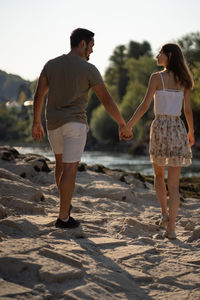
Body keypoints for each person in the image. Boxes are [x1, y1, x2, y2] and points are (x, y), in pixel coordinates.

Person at [32, 28, 131, 229]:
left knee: (60, 164)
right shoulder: (89, 69)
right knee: (70, 168)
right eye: (91, 46)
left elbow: (39, 95)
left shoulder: (51, 65)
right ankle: (63, 217)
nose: (91, 52)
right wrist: (122, 123)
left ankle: (64, 208)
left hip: (53, 124)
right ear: (83, 43)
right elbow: (107, 101)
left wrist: (36, 122)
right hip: (75, 124)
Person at [120, 43, 195, 239]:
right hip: (178, 128)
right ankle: (171, 229)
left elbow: (145, 105)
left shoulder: (156, 77)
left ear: (168, 55)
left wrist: (129, 125)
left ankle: (164, 213)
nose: (156, 56)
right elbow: (187, 111)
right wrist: (191, 131)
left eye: (159, 53)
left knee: (159, 175)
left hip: (161, 128)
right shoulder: (184, 80)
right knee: (175, 184)